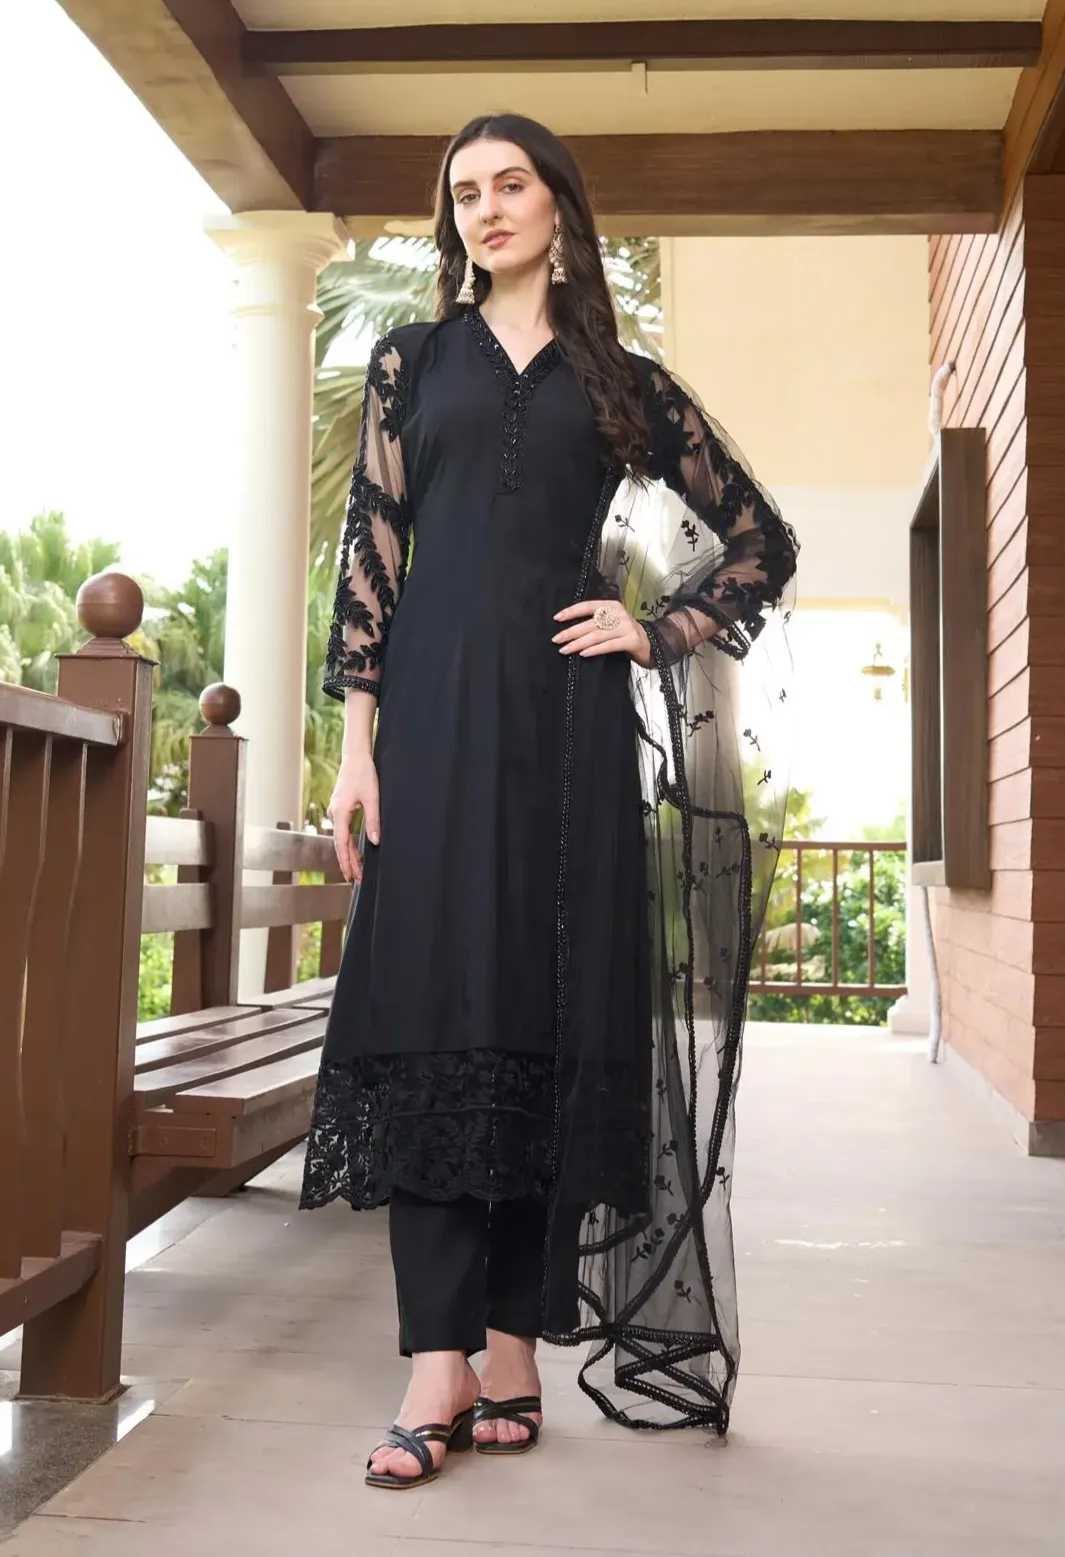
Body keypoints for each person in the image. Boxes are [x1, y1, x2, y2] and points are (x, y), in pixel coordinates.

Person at [300, 112, 798, 1489]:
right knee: (428, 1010)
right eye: (465, 192)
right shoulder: (411, 363)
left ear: (561, 208)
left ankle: (514, 1341)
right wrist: (356, 749)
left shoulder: (622, 384)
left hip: (569, 736)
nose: (487, 208)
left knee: (544, 1014)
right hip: (432, 725)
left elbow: (759, 541)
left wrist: (653, 627)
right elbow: (371, 560)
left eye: (511, 184)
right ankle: (435, 1361)